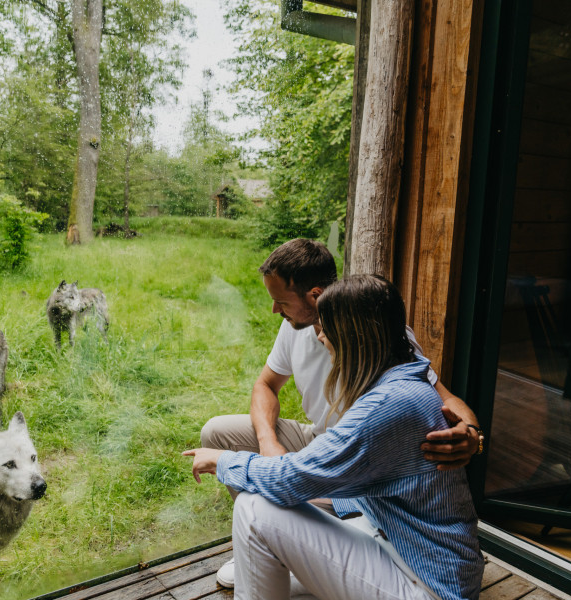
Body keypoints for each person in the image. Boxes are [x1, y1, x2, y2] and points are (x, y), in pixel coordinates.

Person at [200, 239, 483, 587]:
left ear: (315, 296)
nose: (274, 310)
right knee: (219, 433)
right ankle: (274, 549)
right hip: (332, 451)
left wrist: (471, 434)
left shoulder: (384, 352)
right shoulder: (296, 328)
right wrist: (268, 442)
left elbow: (440, 397)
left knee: (257, 504)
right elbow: (265, 385)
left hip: (361, 475)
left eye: (281, 301)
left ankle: (279, 543)